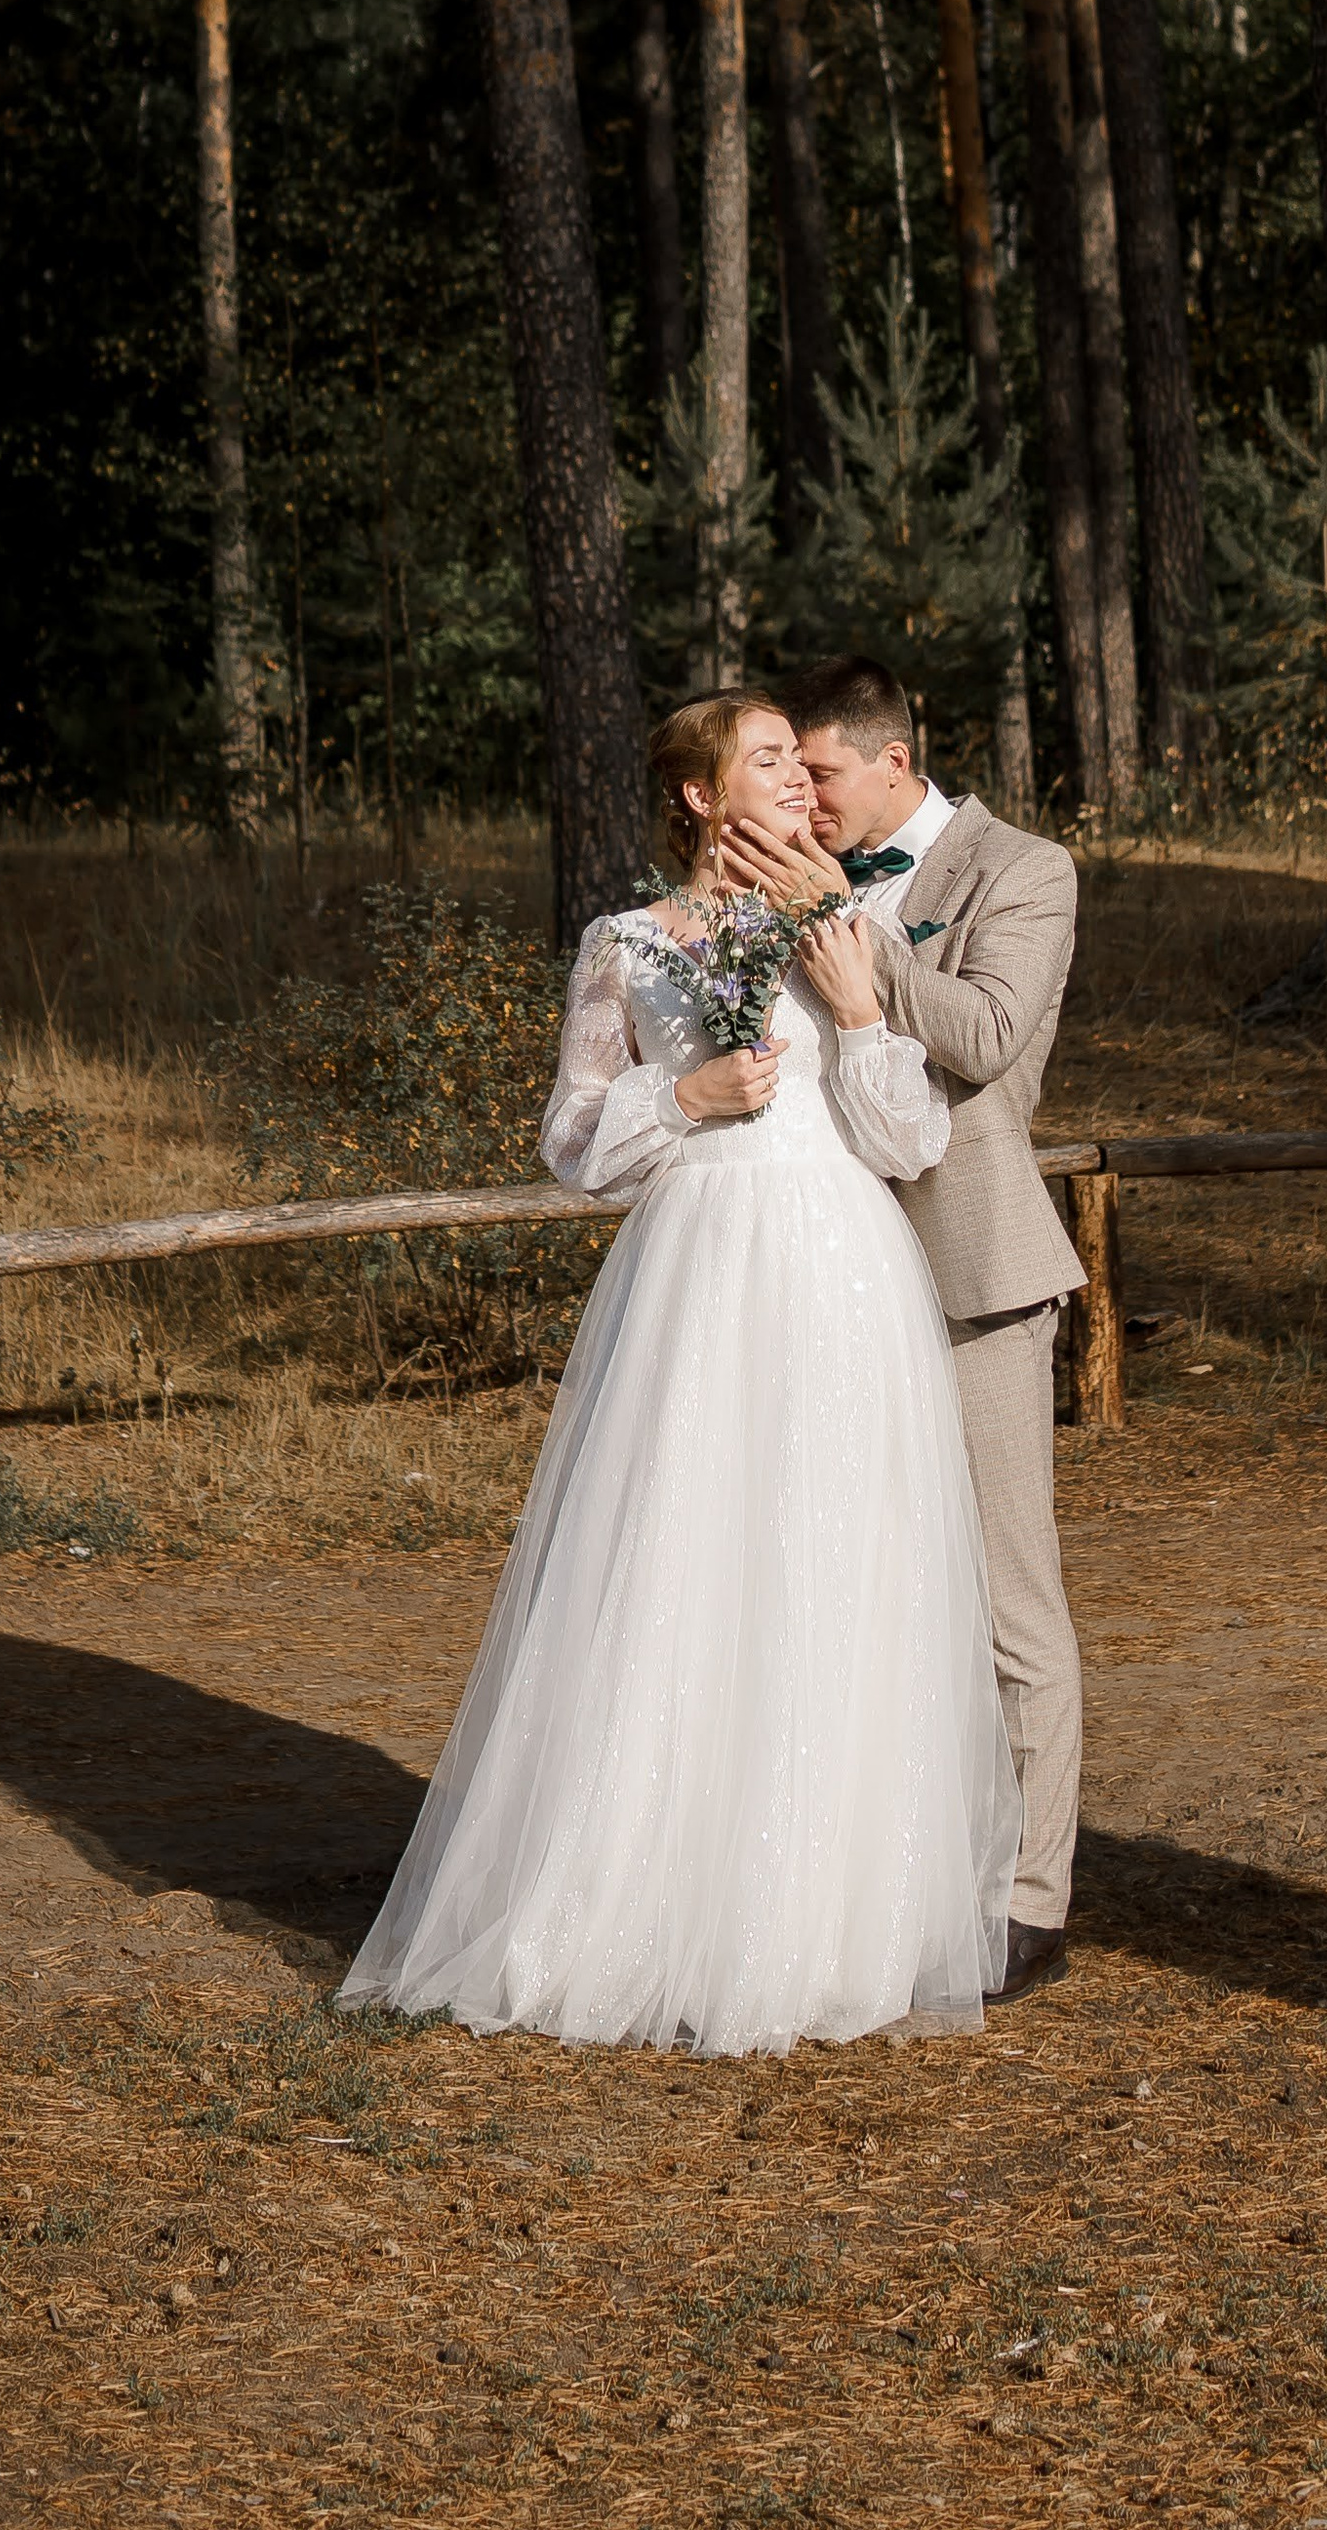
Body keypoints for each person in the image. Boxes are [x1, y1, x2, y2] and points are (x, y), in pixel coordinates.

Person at [337, 692, 1019, 2057]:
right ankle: (632, 1906)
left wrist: (858, 1005)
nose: (797, 780)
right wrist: (683, 1100)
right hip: (701, 1270)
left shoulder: (846, 925)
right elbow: (572, 1137)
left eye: (796, 760)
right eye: (767, 760)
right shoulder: (627, 943)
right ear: (703, 797)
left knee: (833, 1569)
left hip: (841, 1269)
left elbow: (904, 1139)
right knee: (682, 1561)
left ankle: (826, 1925)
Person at [718, 655, 1084, 2002]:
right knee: (858, 1595)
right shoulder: (793, 876)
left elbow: (985, 1038)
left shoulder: (1021, 871)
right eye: (788, 777)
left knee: (1004, 1600)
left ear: (889, 761)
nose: (801, 799)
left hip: (971, 1270)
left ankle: (1030, 1899)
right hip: (825, 1279)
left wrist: (852, 931)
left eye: (815, 774)